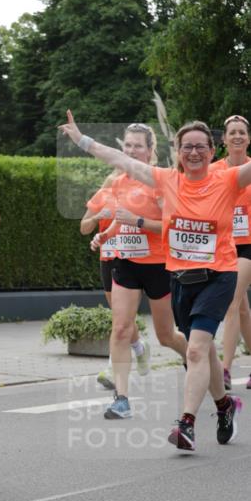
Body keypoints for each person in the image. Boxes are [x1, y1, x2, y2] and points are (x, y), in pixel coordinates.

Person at [59, 110, 251, 451]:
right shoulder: (164, 180)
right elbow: (116, 157)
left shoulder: (228, 179)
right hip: (180, 279)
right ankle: (224, 406)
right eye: (187, 147)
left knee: (195, 349)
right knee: (199, 351)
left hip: (219, 275)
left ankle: (186, 424)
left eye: (201, 147)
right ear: (177, 151)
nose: (194, 153)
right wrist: (80, 139)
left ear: (211, 151)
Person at [86, 124, 187, 419]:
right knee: (120, 328)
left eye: (137, 146)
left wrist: (139, 221)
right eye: (127, 146)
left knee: (166, 335)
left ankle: (192, 356)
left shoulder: (160, 181)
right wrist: (103, 236)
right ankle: (121, 399)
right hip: (126, 263)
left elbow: (172, 225)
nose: (131, 151)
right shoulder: (118, 182)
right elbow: (119, 221)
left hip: (158, 266)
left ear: (150, 150)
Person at [80, 170, 147, 390]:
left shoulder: (137, 194)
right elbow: (84, 228)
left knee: (121, 317)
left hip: (129, 259)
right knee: (119, 315)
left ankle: (111, 368)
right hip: (107, 259)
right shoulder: (101, 196)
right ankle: (139, 347)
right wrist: (98, 216)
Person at [212, 115, 251, 389]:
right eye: (232, 132)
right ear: (224, 139)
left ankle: (224, 369)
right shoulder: (213, 170)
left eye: (242, 132)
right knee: (243, 310)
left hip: (248, 243)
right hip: (222, 243)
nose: (237, 136)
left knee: (232, 301)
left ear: (248, 138)